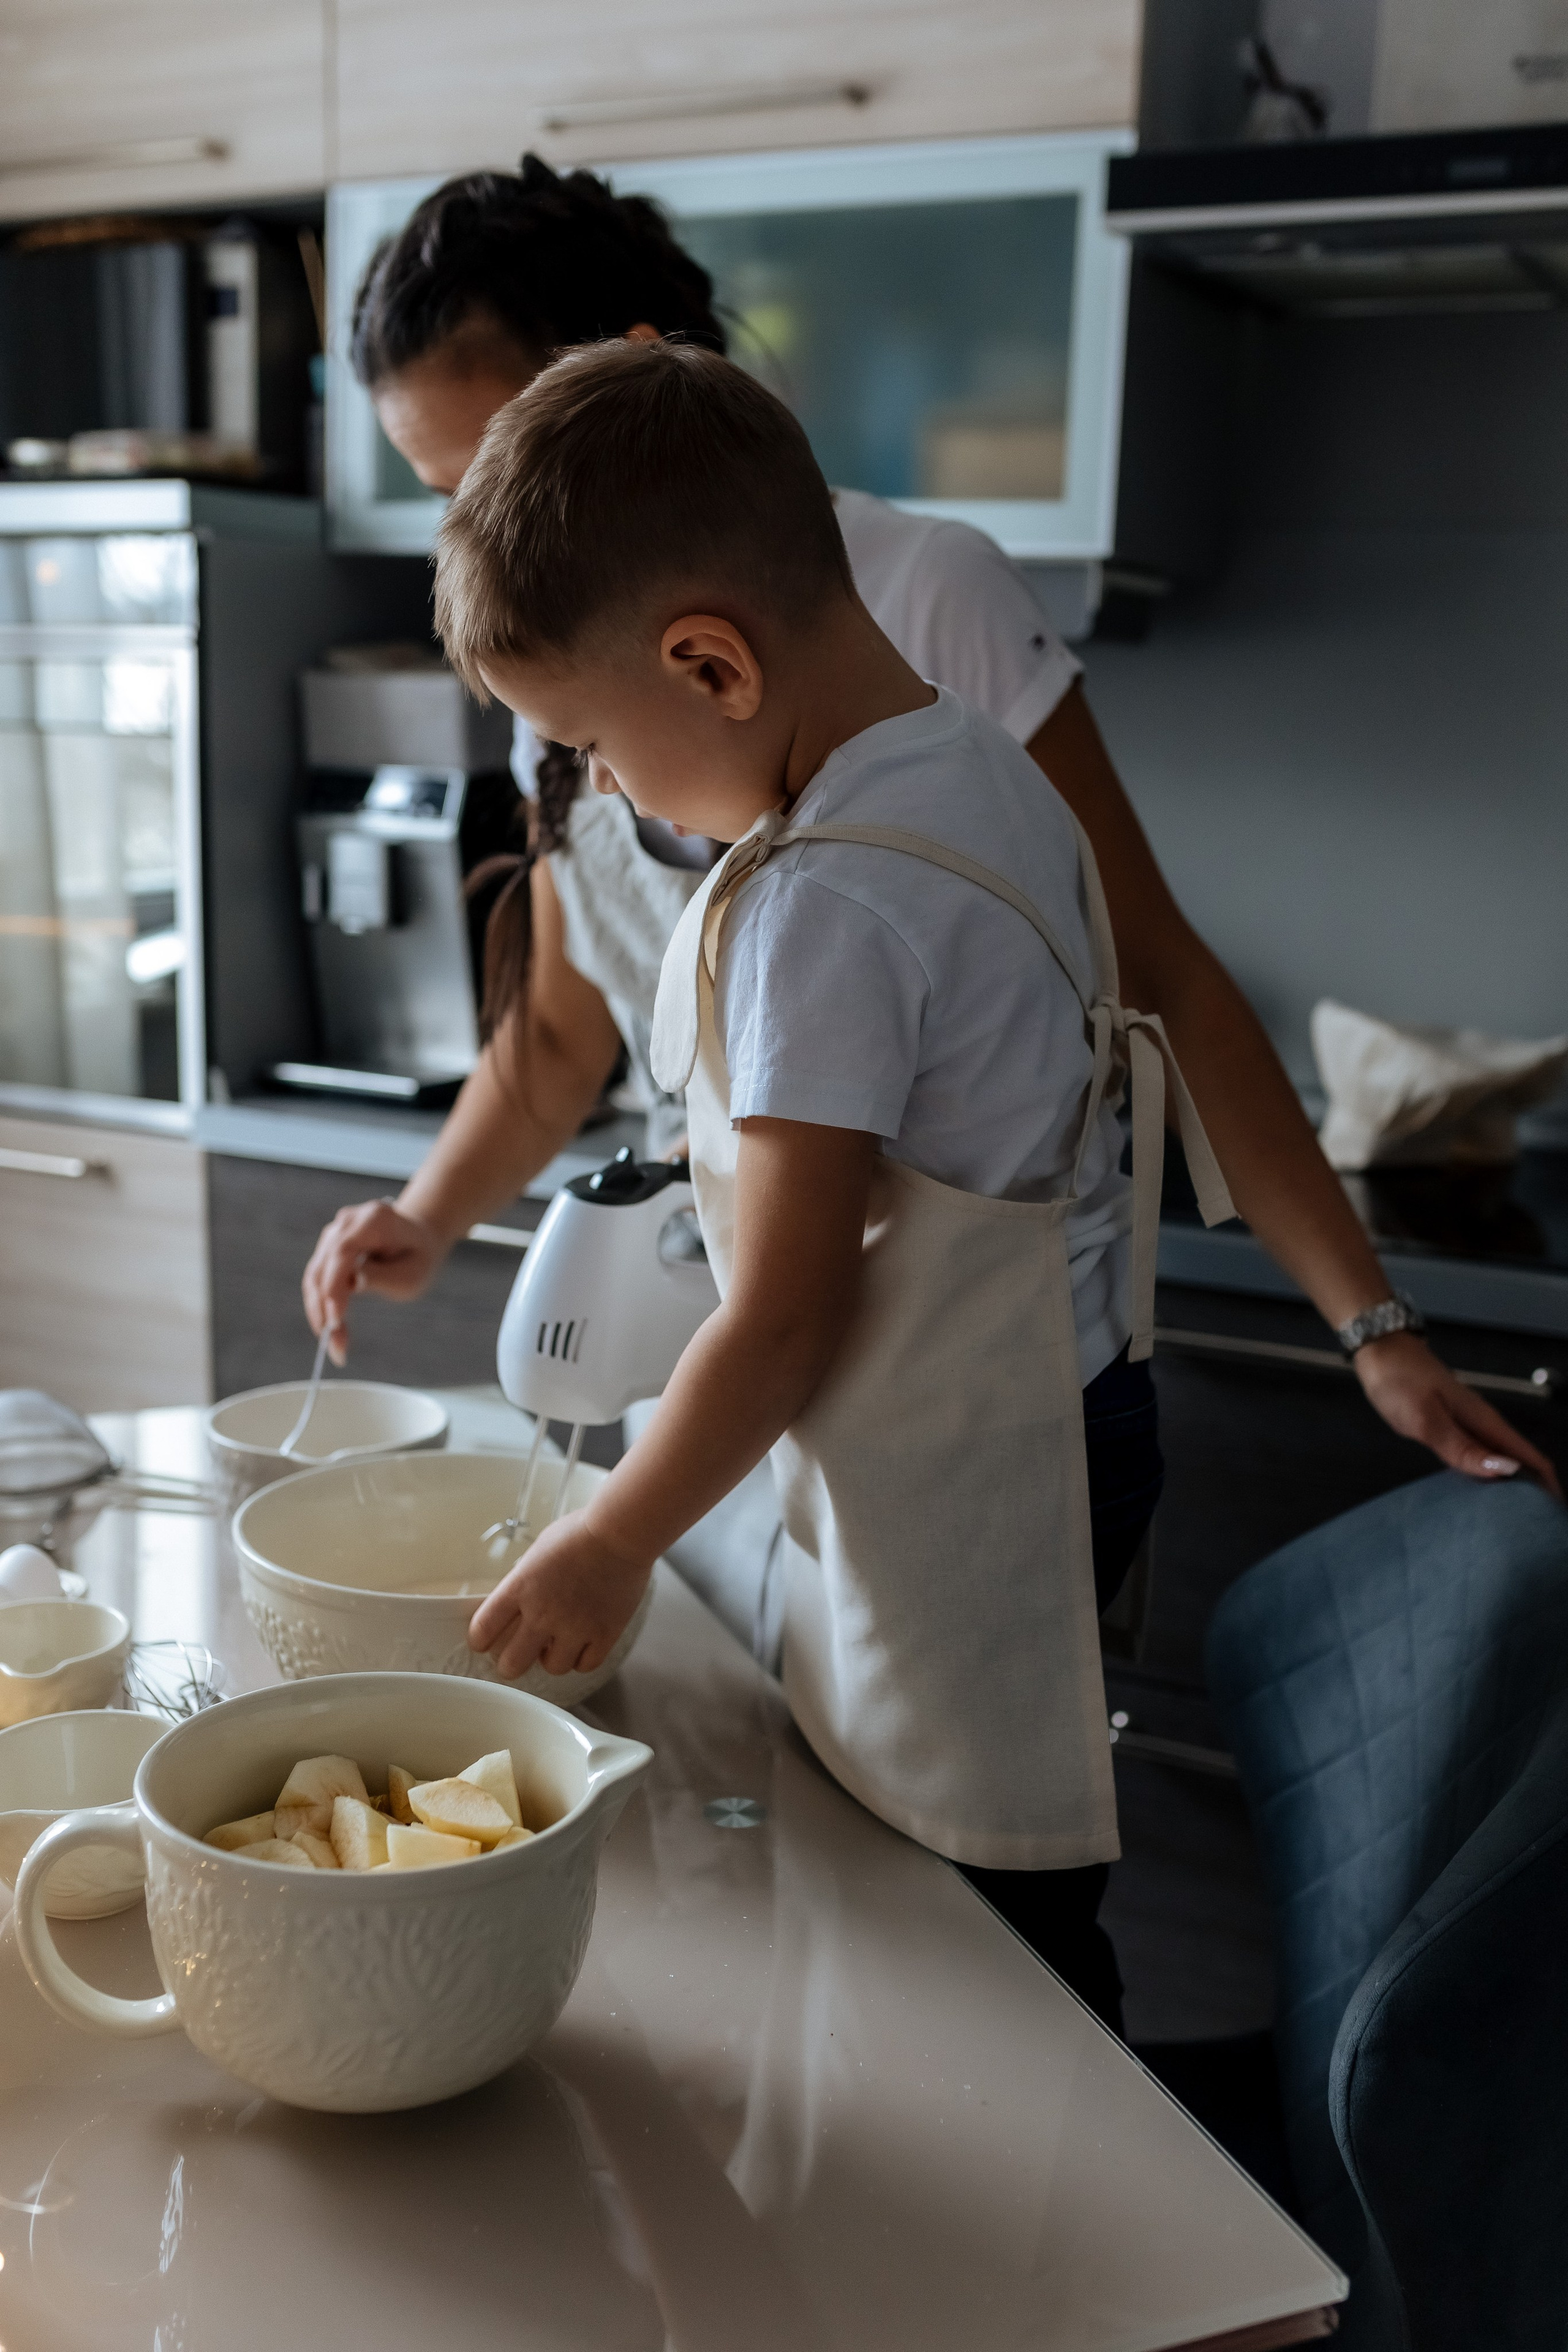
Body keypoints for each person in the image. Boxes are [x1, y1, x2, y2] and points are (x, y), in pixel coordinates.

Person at [303, 156, 1558, 1520]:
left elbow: (1154, 977)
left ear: (633, 372)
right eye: (444, 494)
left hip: (947, 1384)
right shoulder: (572, 675)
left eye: (490, 463)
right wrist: (425, 1215)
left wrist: (1372, 1329)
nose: (472, 524)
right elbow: (558, 1037)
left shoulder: (910, 604)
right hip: (716, 1350)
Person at [435, 336, 1239, 2027]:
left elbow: (790, 1321)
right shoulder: (983, 773)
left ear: (712, 667)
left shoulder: (827, 904)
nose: (594, 791)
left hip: (976, 1461)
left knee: (972, 1898)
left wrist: (610, 1536)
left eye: (588, 743)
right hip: (1067, 1400)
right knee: (996, 1842)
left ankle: (1038, 2204)